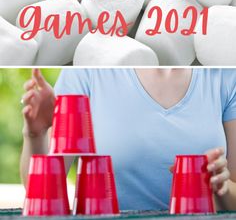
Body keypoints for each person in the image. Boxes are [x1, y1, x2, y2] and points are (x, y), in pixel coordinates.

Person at [20, 68, 236, 211]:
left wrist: (221, 185)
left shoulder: (226, 75)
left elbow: (232, 192)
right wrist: (35, 134)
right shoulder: (87, 72)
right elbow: (39, 193)